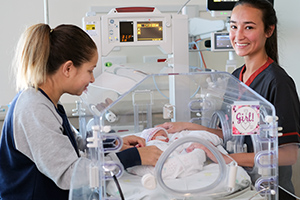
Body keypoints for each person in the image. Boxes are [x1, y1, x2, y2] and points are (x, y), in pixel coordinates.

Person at [0, 23, 162, 200]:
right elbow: (69, 174)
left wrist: (112, 144)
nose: (92, 79)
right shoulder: (34, 108)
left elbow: (73, 145)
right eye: (90, 71)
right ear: (68, 68)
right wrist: (133, 157)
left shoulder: (46, 101)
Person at [158, 0, 300, 199]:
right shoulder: (236, 77)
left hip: (269, 189)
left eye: (249, 27)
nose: (238, 35)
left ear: (268, 31)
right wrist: (187, 127)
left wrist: (227, 158)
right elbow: (236, 133)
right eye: (233, 26)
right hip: (241, 183)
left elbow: (289, 154)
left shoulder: (278, 83)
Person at [127, 127, 224, 179]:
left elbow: (176, 151)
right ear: (151, 137)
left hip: (165, 160)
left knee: (182, 158)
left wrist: (185, 151)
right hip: (149, 161)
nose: (167, 137)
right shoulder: (150, 143)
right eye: (162, 135)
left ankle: (193, 158)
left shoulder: (170, 143)